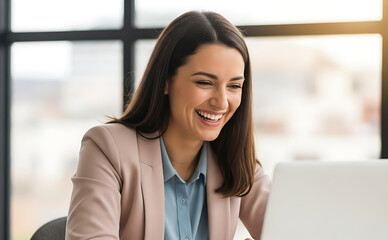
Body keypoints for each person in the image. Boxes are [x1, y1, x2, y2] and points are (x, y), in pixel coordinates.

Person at [66, 11, 271, 240]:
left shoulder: (236, 160)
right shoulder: (107, 149)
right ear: (165, 81)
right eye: (205, 82)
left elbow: (296, 228)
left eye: (234, 86)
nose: (221, 102)